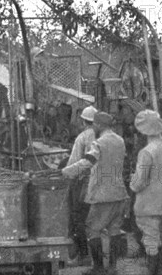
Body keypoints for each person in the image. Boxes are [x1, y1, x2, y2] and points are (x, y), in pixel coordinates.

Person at [62, 111, 129, 275]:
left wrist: (67, 171)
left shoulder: (99, 143)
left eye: (95, 125)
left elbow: (88, 161)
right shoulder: (120, 141)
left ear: (98, 125)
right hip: (119, 192)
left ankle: (98, 268)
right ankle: (113, 267)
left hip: (102, 194)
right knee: (114, 230)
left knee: (92, 229)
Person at [130, 110, 162, 275]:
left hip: (148, 204)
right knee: (159, 235)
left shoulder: (147, 152)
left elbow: (139, 182)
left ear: (143, 130)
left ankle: (153, 271)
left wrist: (132, 184)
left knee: (151, 240)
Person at [65, 105, 98, 266]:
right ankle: (84, 253)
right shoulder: (101, 136)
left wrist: (65, 171)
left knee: (77, 219)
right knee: (90, 220)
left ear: (84, 121)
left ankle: (84, 255)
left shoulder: (83, 137)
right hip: (97, 182)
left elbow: (76, 161)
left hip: (81, 182)